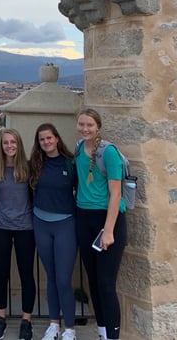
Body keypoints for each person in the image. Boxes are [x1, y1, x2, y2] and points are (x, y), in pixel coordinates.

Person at [74, 109, 126, 340]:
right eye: (82, 124)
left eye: (90, 125)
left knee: (106, 283)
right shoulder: (78, 149)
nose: (85, 129)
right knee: (93, 281)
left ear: (98, 127)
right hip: (84, 218)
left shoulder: (109, 153)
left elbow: (115, 194)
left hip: (107, 220)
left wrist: (109, 230)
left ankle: (113, 335)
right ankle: (102, 332)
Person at [29, 123, 77, 340]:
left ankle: (70, 328)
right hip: (41, 223)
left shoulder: (71, 163)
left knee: (63, 279)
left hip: (65, 224)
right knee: (50, 277)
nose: (46, 142)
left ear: (57, 138)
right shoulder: (35, 165)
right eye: (42, 139)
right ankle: (53, 324)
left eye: (49, 138)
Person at [0, 129, 36, 340]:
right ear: (1, 145)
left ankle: (26, 320)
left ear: (19, 144)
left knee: (26, 274)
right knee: (1, 274)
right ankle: (1, 317)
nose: (9, 146)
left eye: (13, 142)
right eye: (6, 142)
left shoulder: (28, 167)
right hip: (0, 226)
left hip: (25, 227)